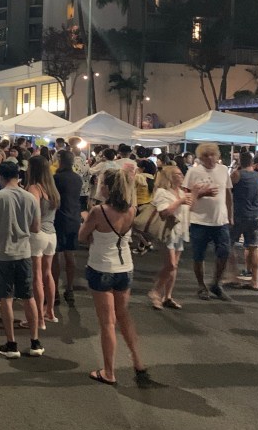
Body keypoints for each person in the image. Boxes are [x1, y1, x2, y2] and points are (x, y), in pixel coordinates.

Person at [79, 168, 149, 386]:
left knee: (108, 322)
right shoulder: (131, 209)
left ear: (108, 187)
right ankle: (137, 360)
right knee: (123, 315)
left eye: (102, 183)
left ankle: (109, 371)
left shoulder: (98, 211)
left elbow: (82, 236)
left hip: (102, 267)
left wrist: (85, 219)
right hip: (125, 266)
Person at [0, 161, 42, 358]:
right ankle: (35, 342)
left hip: (3, 253)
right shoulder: (30, 197)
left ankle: (11, 344)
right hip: (24, 252)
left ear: (0, 176)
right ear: (18, 176)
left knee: (6, 298)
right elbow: (36, 227)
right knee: (28, 296)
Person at [184, 142, 234, 301]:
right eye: (205, 155)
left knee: (224, 252)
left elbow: (228, 194)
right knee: (199, 255)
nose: (210, 158)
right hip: (199, 221)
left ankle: (216, 283)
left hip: (220, 220)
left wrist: (230, 215)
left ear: (217, 155)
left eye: (212, 155)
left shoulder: (223, 170)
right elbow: (186, 196)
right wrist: (201, 193)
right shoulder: (193, 172)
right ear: (200, 157)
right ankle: (201, 286)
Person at [147, 165, 193, 311]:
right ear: (169, 177)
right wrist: (180, 201)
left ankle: (167, 296)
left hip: (180, 231)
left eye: (181, 174)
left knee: (174, 266)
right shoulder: (162, 192)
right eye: (178, 174)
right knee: (170, 265)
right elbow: (164, 212)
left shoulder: (182, 192)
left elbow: (188, 209)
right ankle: (155, 291)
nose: (181, 176)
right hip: (168, 231)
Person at [25, 155, 59, 328]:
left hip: (38, 234)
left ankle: (38, 318)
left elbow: (33, 213)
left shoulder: (34, 188)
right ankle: (50, 312)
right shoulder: (52, 189)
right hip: (52, 234)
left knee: (36, 276)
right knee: (47, 273)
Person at [230, 151, 258, 291]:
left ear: (240, 161)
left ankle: (233, 276)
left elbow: (228, 193)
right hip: (255, 215)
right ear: (252, 162)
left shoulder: (236, 175)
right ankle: (255, 281)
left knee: (229, 244)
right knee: (254, 248)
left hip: (238, 215)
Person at [52, 150, 82, 309]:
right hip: (73, 218)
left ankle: (55, 290)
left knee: (55, 256)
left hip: (59, 218)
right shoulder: (77, 178)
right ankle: (69, 288)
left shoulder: (56, 178)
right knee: (70, 255)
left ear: (61, 161)